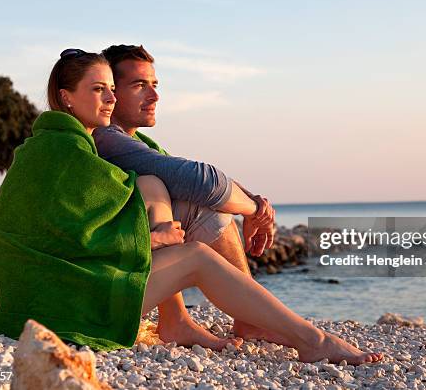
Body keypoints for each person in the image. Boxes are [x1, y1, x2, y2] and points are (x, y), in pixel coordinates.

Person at [0, 49, 383, 365]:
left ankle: (192, 322)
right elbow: (71, 232)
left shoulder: (62, 144)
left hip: (62, 290)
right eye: (98, 89)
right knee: (196, 257)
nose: (109, 99)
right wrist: (153, 237)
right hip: (62, 301)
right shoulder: (66, 150)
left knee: (155, 186)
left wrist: (154, 230)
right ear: (66, 96)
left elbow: (86, 220)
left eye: (111, 90)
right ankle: (313, 341)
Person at [92, 44, 284, 347]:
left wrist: (255, 204)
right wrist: (252, 210)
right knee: (201, 206)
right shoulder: (105, 139)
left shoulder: (130, 142)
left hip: (111, 271)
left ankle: (184, 321)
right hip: (96, 286)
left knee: (181, 195)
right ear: (112, 93)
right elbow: (203, 184)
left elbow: (192, 177)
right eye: (139, 85)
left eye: (155, 85)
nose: (154, 96)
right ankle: (242, 320)